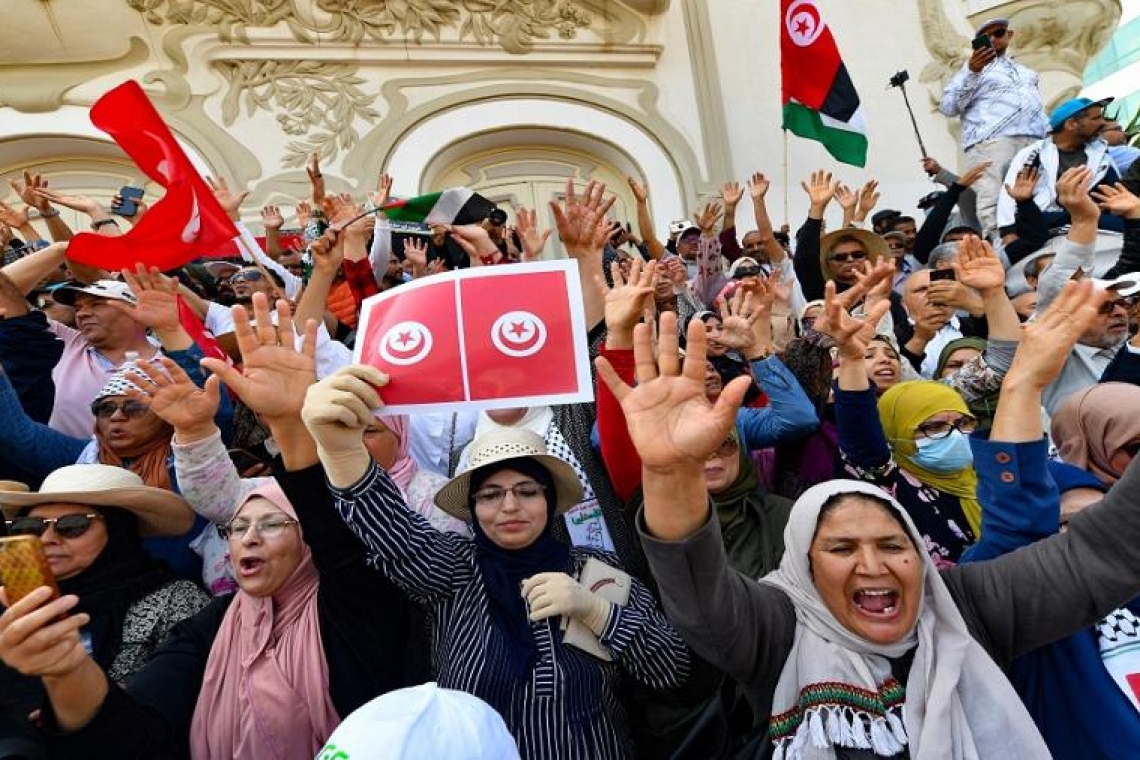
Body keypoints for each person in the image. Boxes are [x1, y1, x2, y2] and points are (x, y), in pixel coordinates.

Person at [596, 278, 1140, 757]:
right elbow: (696, 590)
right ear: (805, 567)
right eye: (841, 549)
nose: (872, 564)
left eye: (892, 544)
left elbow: (1105, 551)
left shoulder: (965, 610)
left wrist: (1024, 385)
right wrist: (669, 473)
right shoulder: (778, 631)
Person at [0, 294, 421, 760]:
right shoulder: (213, 625)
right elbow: (141, 739)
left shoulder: (356, 608)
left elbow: (339, 547)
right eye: (236, 529)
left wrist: (289, 427)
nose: (248, 539)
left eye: (272, 524)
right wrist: (67, 672)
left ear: (308, 542)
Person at [300, 362, 692, 759]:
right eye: (490, 495)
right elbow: (395, 536)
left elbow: (670, 671)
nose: (509, 507)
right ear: (472, 508)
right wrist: (342, 452)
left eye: (526, 491)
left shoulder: (596, 571)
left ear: (550, 499)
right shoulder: (454, 571)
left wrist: (598, 612)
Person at [0, 464, 207, 757]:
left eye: (72, 525)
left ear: (118, 530)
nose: (47, 539)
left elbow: (174, 708)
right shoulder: (11, 603)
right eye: (31, 528)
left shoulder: (177, 600)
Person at [938, 17, 1048, 237]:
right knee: (992, 192)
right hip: (992, 139)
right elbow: (948, 107)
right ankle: (997, 239)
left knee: (1037, 187)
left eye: (998, 33)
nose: (992, 39)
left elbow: (1036, 103)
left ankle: (1040, 231)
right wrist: (972, 71)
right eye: (984, 37)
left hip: (1034, 137)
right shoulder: (968, 70)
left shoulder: (1026, 72)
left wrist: (1047, 133)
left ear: (1009, 35)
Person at [997, 96, 1119, 233]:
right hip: (1046, 220)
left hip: (1092, 217)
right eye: (1095, 118)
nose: (1103, 123)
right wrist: (1008, 232)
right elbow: (1010, 194)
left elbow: (1117, 191)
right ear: (1071, 124)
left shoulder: (1100, 153)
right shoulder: (1034, 153)